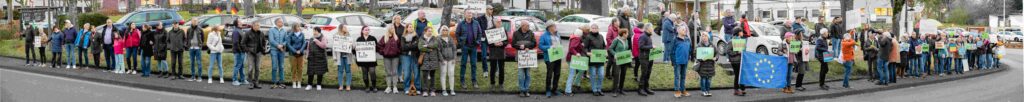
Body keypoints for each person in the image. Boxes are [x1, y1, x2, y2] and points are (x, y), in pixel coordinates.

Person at [512, 21, 537, 97]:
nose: (528, 27)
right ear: (523, 26)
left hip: (528, 56)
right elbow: (513, 44)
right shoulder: (516, 33)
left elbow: (534, 43)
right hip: (520, 57)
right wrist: (520, 47)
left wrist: (527, 47)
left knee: (528, 74)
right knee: (520, 75)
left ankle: (526, 90)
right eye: (527, 25)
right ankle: (522, 90)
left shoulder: (531, 33)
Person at [457, 12, 481, 89]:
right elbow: (457, 33)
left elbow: (480, 33)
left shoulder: (476, 23)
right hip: (465, 47)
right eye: (468, 13)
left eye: (471, 13)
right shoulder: (461, 23)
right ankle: (462, 81)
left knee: (473, 64)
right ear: (465, 15)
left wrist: (477, 42)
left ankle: (474, 81)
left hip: (473, 47)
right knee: (463, 64)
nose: (470, 14)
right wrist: (461, 43)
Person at [670, 19, 693, 97]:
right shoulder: (675, 40)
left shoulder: (687, 39)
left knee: (683, 76)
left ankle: (683, 90)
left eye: (685, 30)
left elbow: (689, 50)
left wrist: (689, 57)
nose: (685, 31)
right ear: (678, 31)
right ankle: (677, 91)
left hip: (685, 61)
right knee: (677, 76)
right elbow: (672, 52)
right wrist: (673, 61)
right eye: (683, 30)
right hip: (677, 61)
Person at [539, 23, 562, 98]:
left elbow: (560, 43)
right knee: (549, 75)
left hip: (558, 56)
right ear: (549, 27)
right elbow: (540, 46)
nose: (556, 27)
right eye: (554, 26)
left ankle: (554, 89)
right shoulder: (544, 36)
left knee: (557, 74)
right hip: (549, 58)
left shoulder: (557, 34)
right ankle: (548, 90)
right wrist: (549, 47)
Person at [582, 23, 606, 96]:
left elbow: (604, 46)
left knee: (601, 75)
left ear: (598, 29)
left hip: (600, 59)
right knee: (592, 75)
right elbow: (584, 47)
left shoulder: (601, 36)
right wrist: (587, 53)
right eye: (593, 28)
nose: (594, 29)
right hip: (592, 59)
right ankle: (594, 89)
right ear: (591, 29)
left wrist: (605, 51)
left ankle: (599, 89)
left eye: (596, 28)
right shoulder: (588, 37)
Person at [563, 26, 587, 96]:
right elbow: (571, 48)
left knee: (581, 70)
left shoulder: (574, 38)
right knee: (572, 74)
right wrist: (576, 53)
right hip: (572, 58)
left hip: (572, 58)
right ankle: (568, 91)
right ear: (580, 34)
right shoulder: (576, 39)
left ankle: (576, 83)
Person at [730, 15, 750, 96]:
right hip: (735, 61)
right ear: (738, 33)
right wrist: (737, 52)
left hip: (741, 60)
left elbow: (742, 51)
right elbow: (728, 51)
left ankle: (742, 88)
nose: (743, 33)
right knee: (737, 75)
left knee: (741, 74)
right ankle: (736, 89)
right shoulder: (732, 41)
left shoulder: (741, 40)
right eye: (741, 31)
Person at [418, 26, 441, 97]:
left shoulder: (434, 38)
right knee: (424, 76)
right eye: (429, 31)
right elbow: (420, 47)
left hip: (433, 59)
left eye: (431, 31)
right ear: (425, 31)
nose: (430, 32)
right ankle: (425, 91)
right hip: (425, 59)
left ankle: (432, 90)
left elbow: (435, 45)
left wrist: (427, 45)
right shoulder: (421, 38)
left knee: (432, 76)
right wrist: (428, 49)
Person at [487, 19, 509, 91]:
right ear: (495, 22)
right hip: (493, 52)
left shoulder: (503, 30)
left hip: (501, 52)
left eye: (500, 22)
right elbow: (488, 42)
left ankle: (501, 84)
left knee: (501, 69)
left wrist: (502, 43)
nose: (499, 23)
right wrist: (494, 44)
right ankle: (492, 84)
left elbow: (506, 41)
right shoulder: (490, 30)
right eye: (498, 22)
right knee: (492, 69)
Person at [357, 26, 380, 93]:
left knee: (372, 72)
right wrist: (355, 49)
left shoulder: (373, 38)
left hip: (371, 60)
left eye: (368, 30)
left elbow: (377, 49)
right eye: (365, 30)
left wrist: (375, 46)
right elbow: (356, 52)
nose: (367, 31)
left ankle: (374, 86)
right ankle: (367, 86)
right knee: (364, 74)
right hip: (363, 60)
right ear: (362, 31)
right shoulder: (359, 39)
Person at [400, 21, 422, 95]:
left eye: (412, 27)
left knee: (416, 72)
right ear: (406, 28)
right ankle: (406, 88)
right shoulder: (403, 37)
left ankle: (418, 88)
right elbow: (403, 47)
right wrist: (412, 45)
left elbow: (417, 46)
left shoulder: (416, 36)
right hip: (406, 56)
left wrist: (408, 45)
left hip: (415, 56)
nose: (411, 28)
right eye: (409, 27)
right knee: (407, 73)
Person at [635, 24, 656, 96]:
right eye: (652, 27)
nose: (653, 29)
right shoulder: (643, 36)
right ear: (648, 29)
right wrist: (651, 46)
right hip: (644, 57)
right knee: (644, 73)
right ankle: (640, 89)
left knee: (648, 73)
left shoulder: (649, 36)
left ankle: (646, 88)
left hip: (650, 57)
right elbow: (640, 46)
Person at [609, 28, 631, 97]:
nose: (628, 34)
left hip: (624, 59)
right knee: (616, 75)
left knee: (623, 74)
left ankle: (621, 89)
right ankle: (614, 90)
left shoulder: (626, 40)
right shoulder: (616, 40)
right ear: (624, 34)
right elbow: (610, 48)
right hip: (617, 60)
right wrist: (614, 54)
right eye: (627, 33)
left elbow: (626, 49)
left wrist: (629, 54)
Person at [381, 21, 402, 94]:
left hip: (395, 57)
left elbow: (400, 46)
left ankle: (395, 87)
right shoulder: (384, 38)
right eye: (391, 27)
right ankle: (389, 87)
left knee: (395, 72)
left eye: (393, 28)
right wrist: (383, 52)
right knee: (388, 72)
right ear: (388, 29)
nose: (392, 29)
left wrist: (398, 51)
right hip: (386, 57)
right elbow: (379, 46)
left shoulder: (396, 38)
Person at [439, 22, 459, 96]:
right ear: (441, 31)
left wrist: (454, 58)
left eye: (446, 30)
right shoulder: (439, 39)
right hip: (443, 60)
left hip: (451, 59)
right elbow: (438, 50)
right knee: (443, 74)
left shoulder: (450, 38)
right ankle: (444, 90)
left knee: (451, 74)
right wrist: (441, 59)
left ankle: (452, 89)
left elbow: (454, 49)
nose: (445, 31)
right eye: (443, 30)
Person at [331, 25, 353, 91]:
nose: (346, 28)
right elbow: (334, 47)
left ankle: (348, 85)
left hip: (347, 56)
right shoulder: (336, 36)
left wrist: (351, 45)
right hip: (339, 57)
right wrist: (334, 56)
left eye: (346, 27)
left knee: (348, 71)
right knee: (340, 71)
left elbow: (353, 46)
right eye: (345, 27)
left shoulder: (349, 36)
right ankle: (341, 85)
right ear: (341, 28)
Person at [695, 30, 716, 97]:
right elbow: (696, 54)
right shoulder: (699, 45)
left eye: (705, 36)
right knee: (703, 79)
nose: (704, 37)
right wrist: (701, 59)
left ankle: (708, 91)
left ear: (708, 37)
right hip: (702, 65)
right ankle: (703, 91)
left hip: (710, 65)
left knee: (709, 80)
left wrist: (715, 58)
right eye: (703, 36)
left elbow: (717, 53)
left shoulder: (712, 45)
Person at [268, 19, 289, 89]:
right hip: (274, 50)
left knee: (281, 66)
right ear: (277, 23)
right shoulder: (271, 30)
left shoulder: (284, 30)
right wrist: (278, 45)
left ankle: (281, 82)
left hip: (282, 50)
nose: (282, 23)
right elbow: (271, 40)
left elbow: (286, 40)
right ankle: (274, 82)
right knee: (274, 66)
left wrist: (282, 45)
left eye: (283, 22)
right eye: (281, 22)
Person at [246, 23, 267, 89]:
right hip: (251, 53)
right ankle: (250, 82)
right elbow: (243, 43)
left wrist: (263, 49)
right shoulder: (248, 33)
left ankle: (256, 82)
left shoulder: (261, 33)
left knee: (257, 68)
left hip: (258, 53)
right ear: (253, 26)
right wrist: (248, 50)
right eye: (257, 25)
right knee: (250, 68)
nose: (258, 27)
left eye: (259, 26)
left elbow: (264, 42)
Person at [287, 25, 308, 89]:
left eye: (299, 26)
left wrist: (300, 50)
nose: (299, 28)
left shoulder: (302, 34)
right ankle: (294, 81)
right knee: (293, 68)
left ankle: (299, 82)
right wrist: (295, 51)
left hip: (300, 53)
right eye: (297, 26)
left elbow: (304, 43)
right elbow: (288, 44)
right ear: (294, 28)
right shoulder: (290, 34)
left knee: (300, 68)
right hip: (292, 54)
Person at [230, 20, 249, 85]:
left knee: (242, 66)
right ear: (237, 24)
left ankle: (243, 79)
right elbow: (235, 42)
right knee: (237, 66)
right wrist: (240, 51)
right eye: (240, 22)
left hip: (242, 51)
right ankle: (234, 80)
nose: (241, 22)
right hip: (238, 52)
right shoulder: (236, 31)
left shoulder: (240, 30)